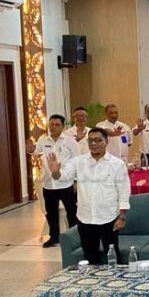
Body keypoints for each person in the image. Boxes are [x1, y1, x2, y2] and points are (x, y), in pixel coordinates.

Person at [47, 127, 130, 265]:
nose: (94, 144)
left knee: (113, 257)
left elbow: (124, 192)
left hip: (108, 217)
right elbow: (63, 176)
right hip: (85, 218)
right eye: (90, 140)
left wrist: (122, 217)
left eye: (98, 140)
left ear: (106, 142)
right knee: (90, 258)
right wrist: (56, 172)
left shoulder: (117, 164)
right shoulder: (78, 162)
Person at [26, 114, 80, 248]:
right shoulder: (43, 140)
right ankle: (54, 237)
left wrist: (76, 181)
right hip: (49, 184)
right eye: (51, 124)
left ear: (63, 126)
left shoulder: (70, 142)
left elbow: (77, 161)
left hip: (66, 183)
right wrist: (31, 150)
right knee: (51, 212)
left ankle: (75, 237)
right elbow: (35, 151)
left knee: (71, 211)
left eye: (57, 125)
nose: (54, 127)